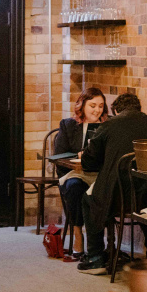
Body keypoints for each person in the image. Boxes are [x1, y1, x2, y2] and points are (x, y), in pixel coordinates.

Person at [77, 93, 147, 274]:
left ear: (116, 110)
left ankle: (95, 258)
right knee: (146, 210)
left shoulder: (108, 125)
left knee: (88, 200)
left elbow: (89, 162)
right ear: (138, 108)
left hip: (117, 194)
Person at [54, 87, 108, 257]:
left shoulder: (108, 126)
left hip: (99, 174)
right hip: (75, 173)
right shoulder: (68, 125)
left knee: (105, 190)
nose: (97, 110)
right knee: (74, 187)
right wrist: (77, 155)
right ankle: (77, 234)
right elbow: (59, 154)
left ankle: (100, 243)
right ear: (82, 105)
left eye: (100, 106)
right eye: (92, 106)